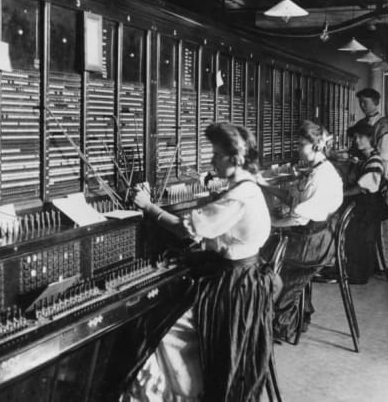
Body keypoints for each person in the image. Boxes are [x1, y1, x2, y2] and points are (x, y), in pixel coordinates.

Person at [123, 122, 278, 402]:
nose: (211, 161)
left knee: (161, 327)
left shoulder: (238, 198)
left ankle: (180, 395)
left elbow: (187, 229)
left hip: (233, 291)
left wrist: (147, 206)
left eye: (217, 156)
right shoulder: (248, 185)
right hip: (246, 282)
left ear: (236, 159)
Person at [262, 120, 344, 340]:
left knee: (263, 258)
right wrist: (263, 186)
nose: (297, 149)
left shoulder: (320, 177)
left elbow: (297, 219)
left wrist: (267, 223)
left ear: (316, 146)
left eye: (301, 145)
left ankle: (279, 323)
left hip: (312, 243)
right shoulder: (317, 169)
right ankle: (296, 318)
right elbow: (293, 198)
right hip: (315, 237)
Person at [354, 87, 388, 271]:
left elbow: (386, 157)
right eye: (360, 102)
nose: (362, 106)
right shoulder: (363, 123)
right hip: (366, 171)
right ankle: (364, 259)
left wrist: (383, 179)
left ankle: (381, 263)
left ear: (376, 102)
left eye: (365, 102)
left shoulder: (385, 127)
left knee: (377, 222)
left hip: (378, 177)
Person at [343, 123, 388, 284]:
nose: (356, 141)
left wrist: (341, 194)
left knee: (358, 238)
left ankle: (358, 274)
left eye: (360, 137)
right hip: (363, 205)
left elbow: (363, 187)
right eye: (354, 137)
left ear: (370, 139)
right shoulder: (364, 158)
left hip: (368, 207)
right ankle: (346, 267)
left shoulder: (374, 161)